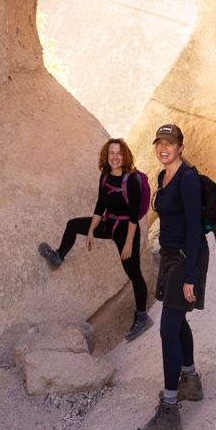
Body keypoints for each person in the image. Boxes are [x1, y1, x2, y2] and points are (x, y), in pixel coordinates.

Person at [38, 137, 153, 342]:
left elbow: (134, 216)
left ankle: (142, 316)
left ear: (124, 155)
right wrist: (91, 230)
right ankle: (58, 256)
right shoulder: (105, 177)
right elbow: (101, 205)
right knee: (73, 225)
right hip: (109, 223)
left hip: (127, 229)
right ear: (106, 156)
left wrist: (128, 244)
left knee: (133, 272)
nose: (115, 157)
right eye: (111, 153)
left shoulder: (132, 179)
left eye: (118, 153)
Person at [135, 124, 209, 430]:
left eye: (170, 143)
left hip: (185, 259)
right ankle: (190, 380)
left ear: (180, 146)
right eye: (159, 143)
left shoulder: (188, 180)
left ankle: (169, 411)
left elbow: (195, 230)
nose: (164, 147)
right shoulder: (163, 176)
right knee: (177, 324)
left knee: (168, 329)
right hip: (169, 256)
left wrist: (191, 277)